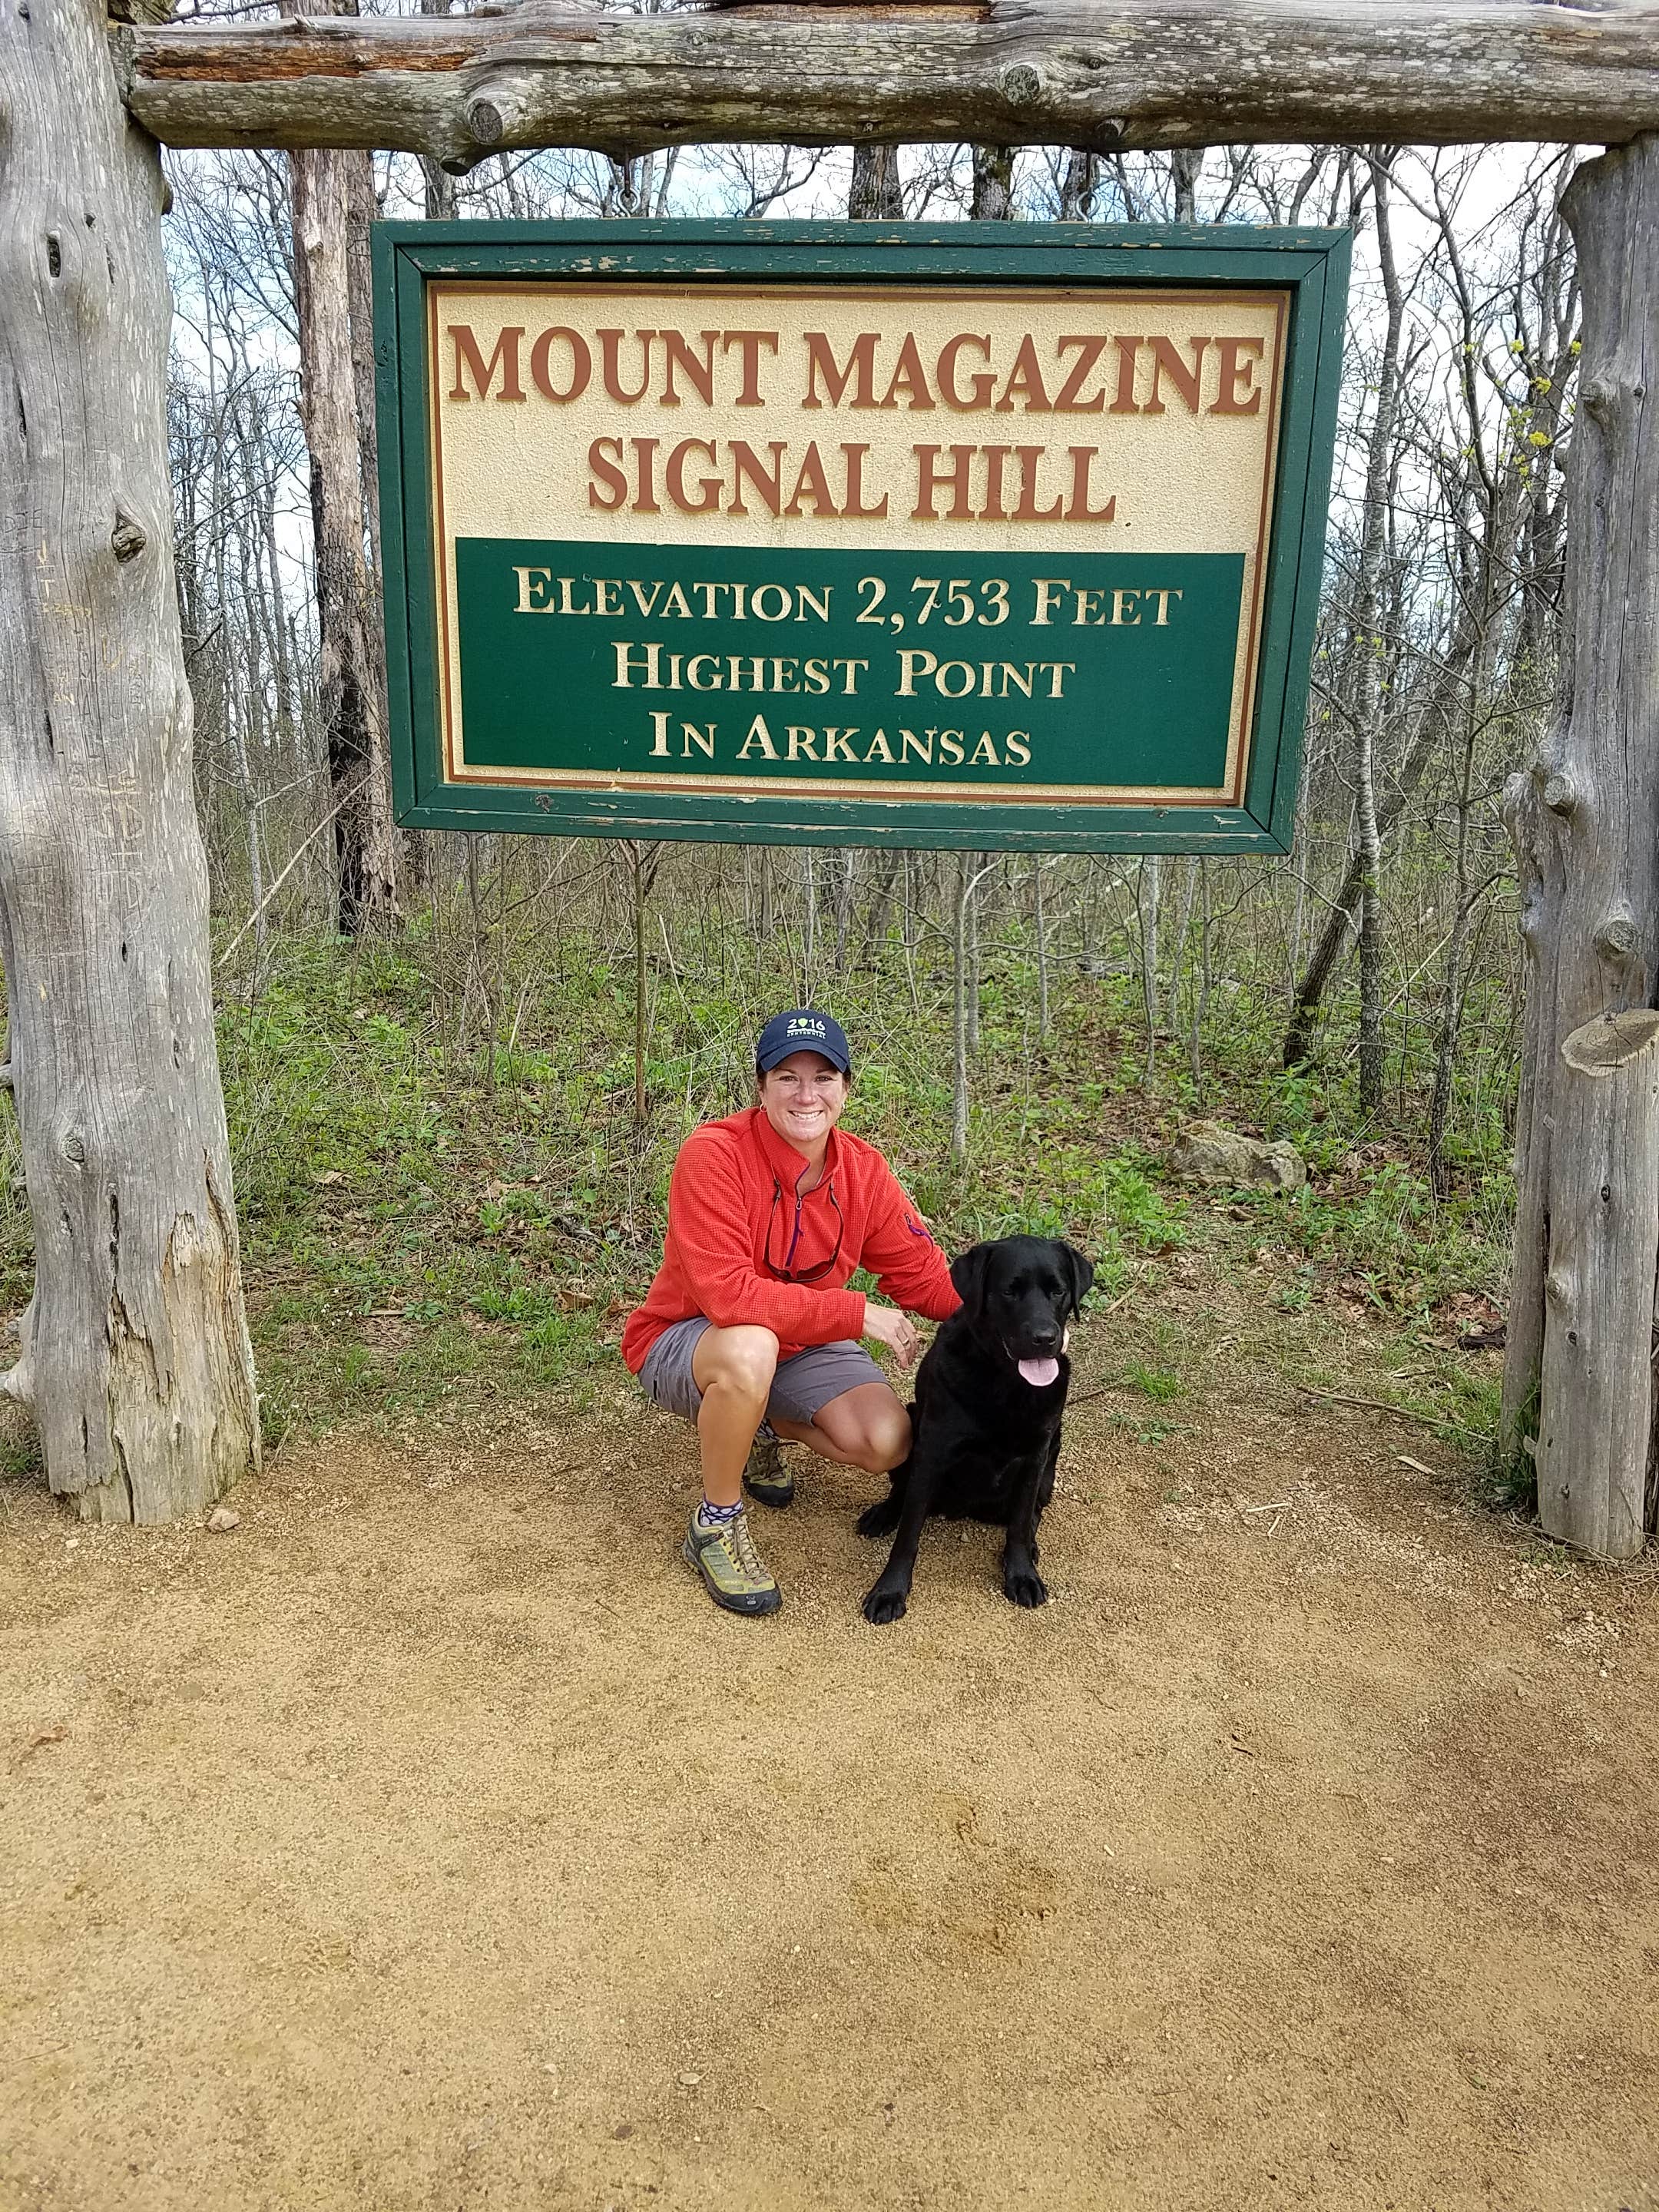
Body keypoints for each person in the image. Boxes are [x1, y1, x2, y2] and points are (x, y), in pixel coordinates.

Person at [621, 1008, 961, 1617]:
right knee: (751, 1348)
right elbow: (728, 1296)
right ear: (761, 1087)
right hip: (691, 1338)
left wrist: (1022, 1322)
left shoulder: (865, 1171)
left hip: (803, 1342)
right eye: (787, 1077)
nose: (807, 1095)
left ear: (846, 1089)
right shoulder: (713, 1155)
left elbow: (922, 1275)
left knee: (886, 1442)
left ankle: (753, 1430)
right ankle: (716, 1523)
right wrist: (858, 1315)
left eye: (824, 1077)